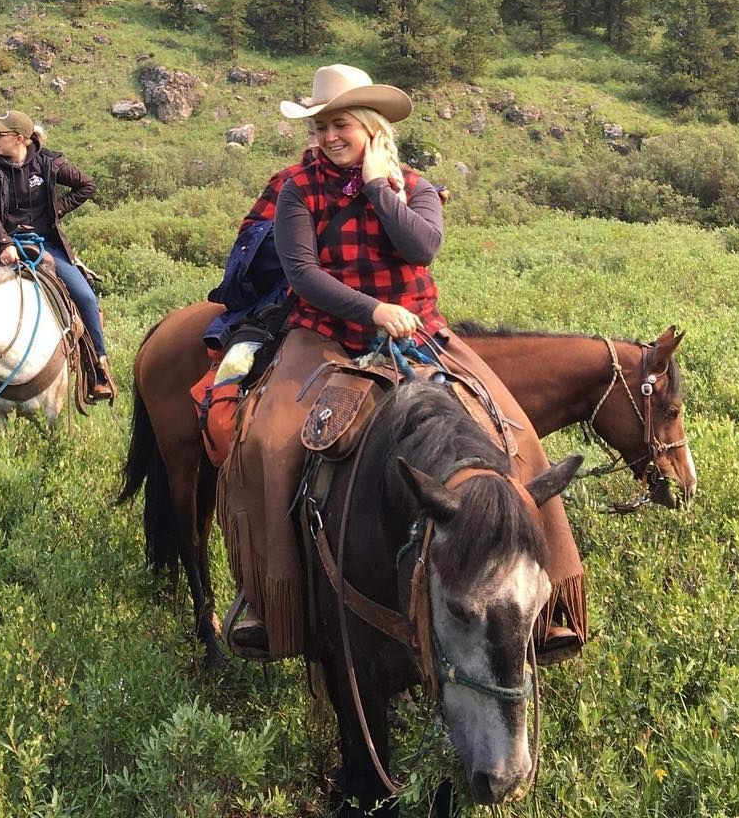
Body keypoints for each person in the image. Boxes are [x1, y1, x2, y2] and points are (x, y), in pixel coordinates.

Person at [218, 64, 586, 663]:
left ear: (369, 127)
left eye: (339, 125)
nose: (327, 137)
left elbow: (422, 247)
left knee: (515, 433)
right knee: (271, 437)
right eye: (319, 127)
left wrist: (375, 189)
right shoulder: (295, 188)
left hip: (420, 329)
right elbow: (303, 276)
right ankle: (273, 597)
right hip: (326, 331)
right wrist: (374, 309)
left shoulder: (413, 186)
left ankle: (548, 604)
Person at [0, 109, 115, 403]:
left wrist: (56, 211)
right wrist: (4, 243)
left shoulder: (49, 163)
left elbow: (86, 186)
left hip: (46, 243)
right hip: (0, 242)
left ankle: (97, 369)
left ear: (19, 139)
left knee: (87, 298)